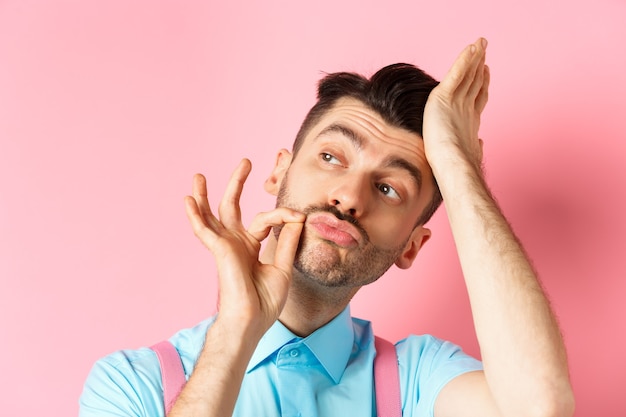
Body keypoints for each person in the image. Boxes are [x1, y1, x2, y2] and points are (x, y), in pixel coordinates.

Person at [79, 38, 575, 417]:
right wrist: (236, 328)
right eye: (332, 157)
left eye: (388, 189)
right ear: (279, 173)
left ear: (412, 245)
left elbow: (540, 406)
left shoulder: (419, 381)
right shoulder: (134, 383)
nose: (349, 197)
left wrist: (456, 164)